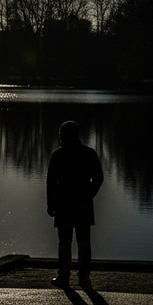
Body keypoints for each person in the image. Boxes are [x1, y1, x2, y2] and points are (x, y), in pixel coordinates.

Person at [46, 120, 104, 289]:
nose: (60, 138)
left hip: (65, 204)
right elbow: (98, 177)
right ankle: (83, 278)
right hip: (82, 204)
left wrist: (51, 203)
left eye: (61, 135)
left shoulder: (58, 155)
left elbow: (51, 183)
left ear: (65, 135)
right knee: (83, 243)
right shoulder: (88, 153)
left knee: (66, 243)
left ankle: (65, 276)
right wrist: (90, 193)